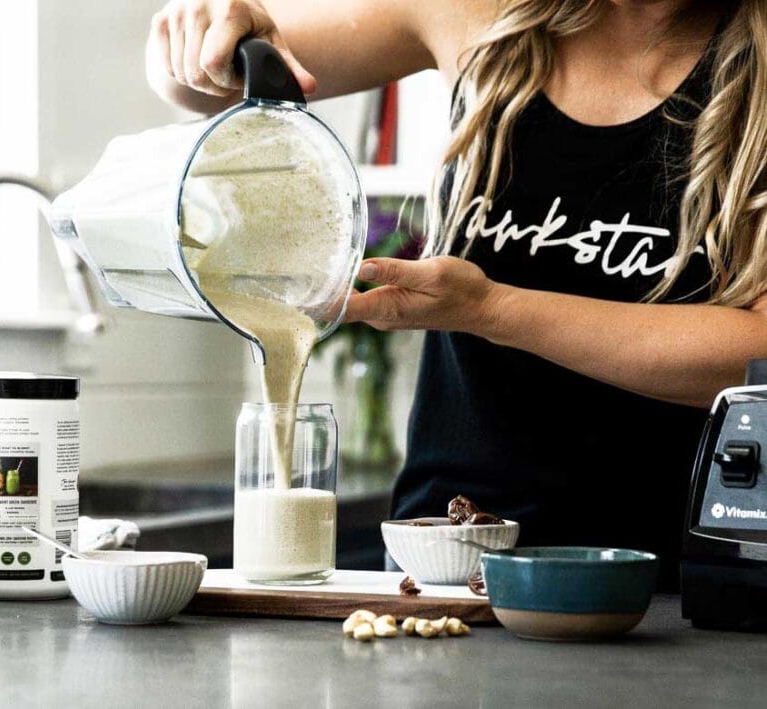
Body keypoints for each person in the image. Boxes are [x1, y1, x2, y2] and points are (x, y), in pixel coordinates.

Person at [146, 0, 767, 588]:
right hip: (441, 569)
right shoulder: (477, 14)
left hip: (659, 586)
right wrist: (194, 34)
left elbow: (758, 350)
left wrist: (492, 310)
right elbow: (214, 79)